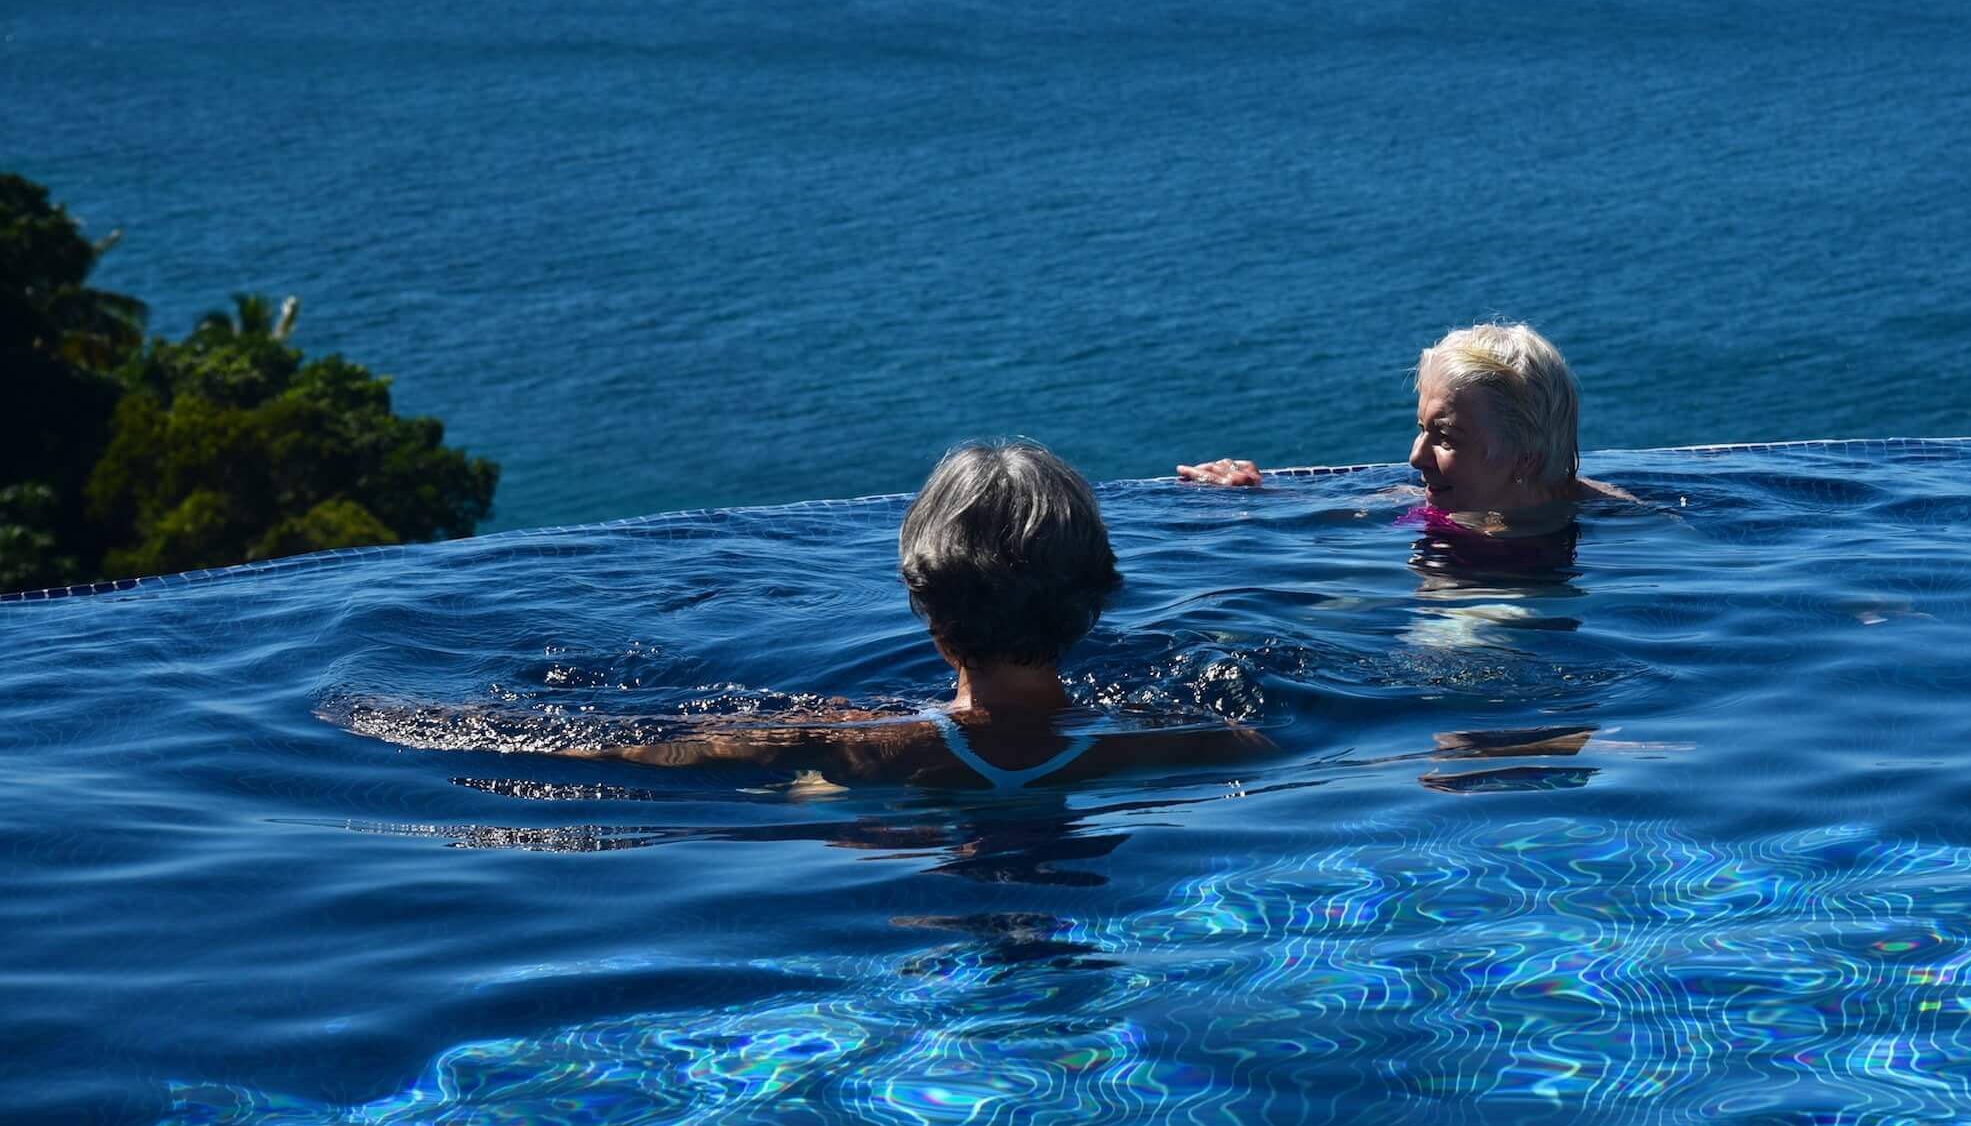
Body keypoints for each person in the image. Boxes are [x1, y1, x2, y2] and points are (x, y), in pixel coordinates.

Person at [353, 442, 1270, 790]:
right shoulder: (1188, 740)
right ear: (1095, 598)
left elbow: (608, 748)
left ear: (928, 607)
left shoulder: (856, 742)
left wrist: (397, 722)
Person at [1179, 321, 1628, 553]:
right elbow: (1351, 509)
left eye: (1445, 437)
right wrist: (1256, 494)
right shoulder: (1434, 500)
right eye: (1421, 429)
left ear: (1525, 457)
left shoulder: (1612, 523)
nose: (1416, 457)